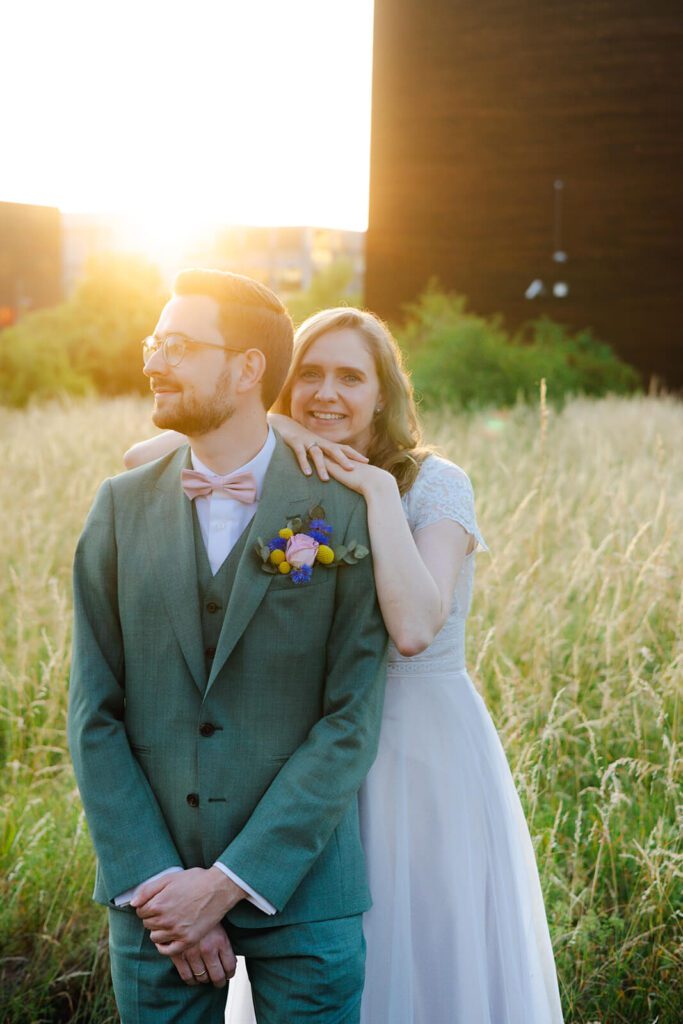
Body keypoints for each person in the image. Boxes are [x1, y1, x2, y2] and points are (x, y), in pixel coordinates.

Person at [126, 306, 565, 1024]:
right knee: (308, 943)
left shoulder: (434, 483)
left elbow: (416, 626)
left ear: (382, 394)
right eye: (310, 376)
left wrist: (376, 490)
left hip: (414, 750)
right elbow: (139, 464)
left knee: (416, 938)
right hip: (307, 753)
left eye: (350, 378)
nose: (327, 393)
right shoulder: (281, 467)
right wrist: (282, 433)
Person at [68, 273, 389, 1024]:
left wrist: (229, 881)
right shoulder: (118, 507)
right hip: (155, 904)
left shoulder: (344, 513)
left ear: (246, 369)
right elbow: (94, 711)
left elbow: (349, 720)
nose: (155, 360)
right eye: (154, 343)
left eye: (178, 346)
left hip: (304, 890)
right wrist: (159, 884)